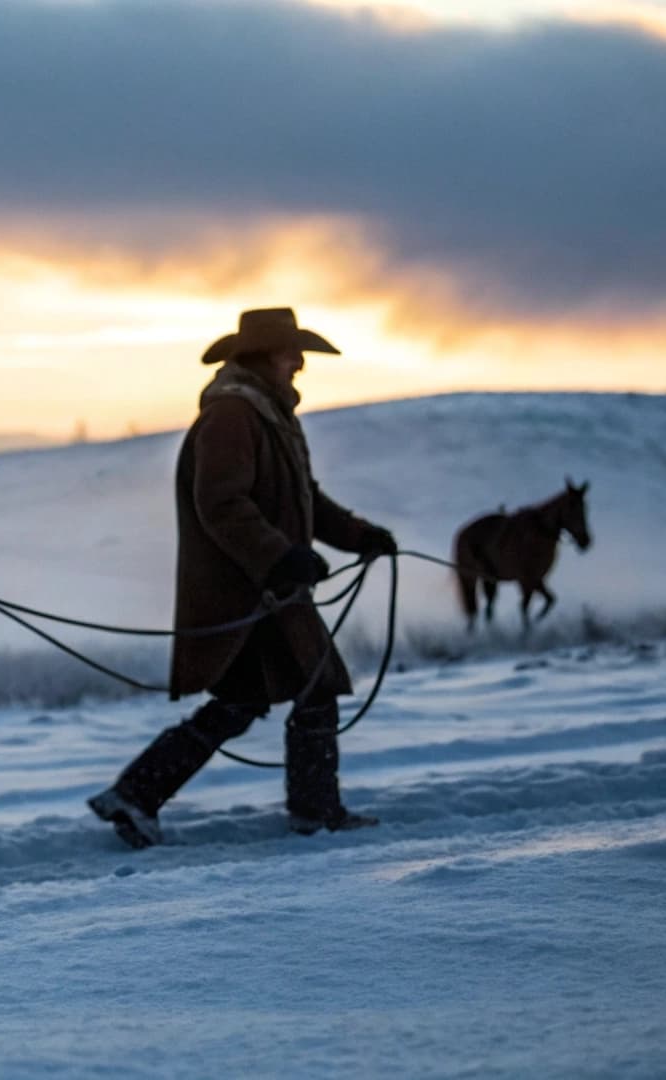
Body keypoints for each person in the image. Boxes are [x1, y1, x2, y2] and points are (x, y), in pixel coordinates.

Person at [88, 307, 398, 848]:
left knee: (243, 700)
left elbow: (306, 498)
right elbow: (223, 504)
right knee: (313, 686)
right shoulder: (234, 415)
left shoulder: (267, 415)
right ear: (266, 358)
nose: (299, 364)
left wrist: (360, 535)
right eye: (290, 354)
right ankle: (315, 812)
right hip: (252, 592)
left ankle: (136, 795)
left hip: (266, 590)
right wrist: (280, 558)